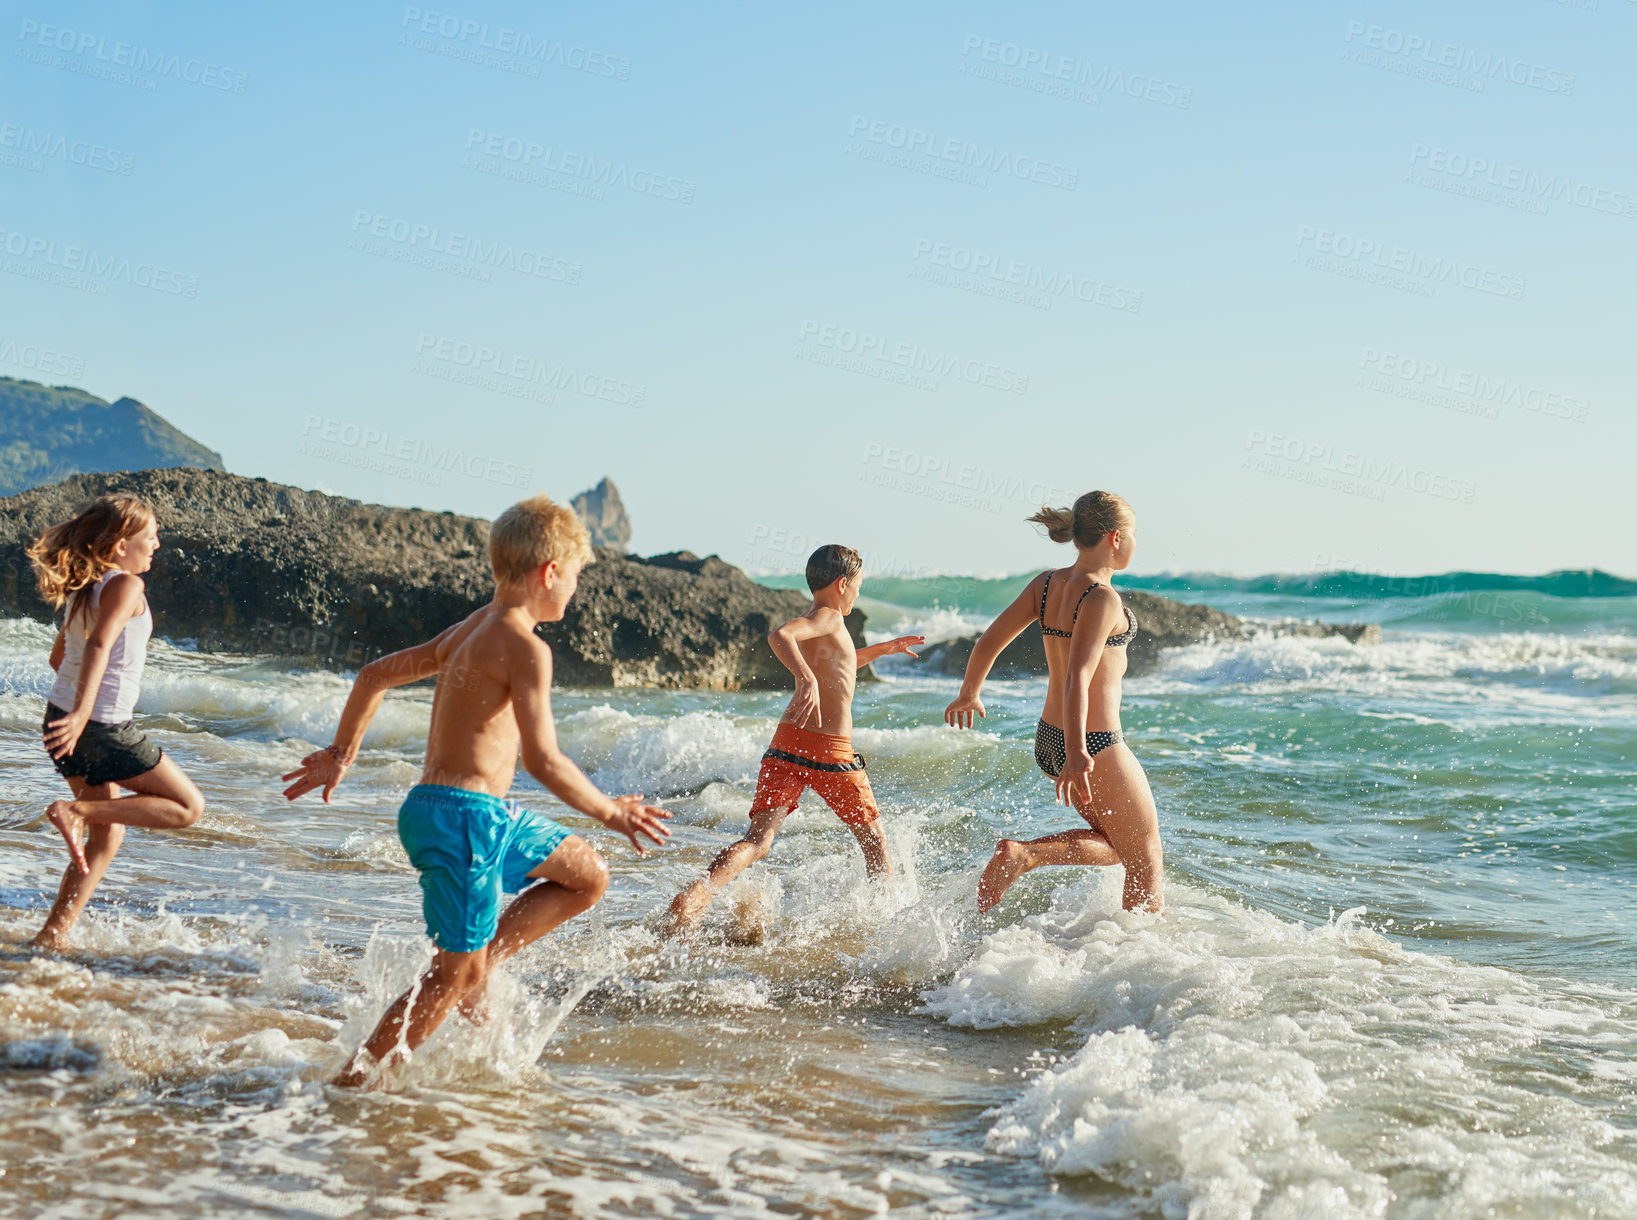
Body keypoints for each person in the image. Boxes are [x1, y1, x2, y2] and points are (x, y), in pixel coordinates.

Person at [281, 493, 672, 1087]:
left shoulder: (470, 629)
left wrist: (341, 755)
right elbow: (544, 760)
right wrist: (610, 810)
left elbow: (374, 675)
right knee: (450, 978)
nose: (573, 590)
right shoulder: (526, 648)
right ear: (549, 573)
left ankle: (484, 958)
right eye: (574, 578)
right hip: (465, 820)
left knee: (587, 874)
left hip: (475, 815)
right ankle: (350, 1087)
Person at [664, 544, 923, 936]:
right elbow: (779, 635)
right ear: (842, 584)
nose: (857, 595)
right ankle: (888, 930)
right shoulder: (829, 616)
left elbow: (840, 663)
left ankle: (699, 893)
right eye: (858, 587)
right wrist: (805, 678)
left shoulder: (821, 620)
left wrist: (885, 649)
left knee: (758, 841)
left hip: (786, 745)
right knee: (875, 842)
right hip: (831, 752)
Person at [943, 492, 1163, 913]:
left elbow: (990, 639)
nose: (1136, 543)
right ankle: (1145, 962)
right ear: (1115, 538)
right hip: (1092, 743)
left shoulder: (1047, 584)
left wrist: (970, 690)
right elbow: (1079, 677)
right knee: (1146, 858)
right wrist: (1079, 752)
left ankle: (1026, 856)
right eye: (1134, 534)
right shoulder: (1102, 597)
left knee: (1118, 847)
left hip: (1050, 737)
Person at [26, 493, 205, 950]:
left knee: (107, 837)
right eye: (151, 536)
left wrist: (75, 709)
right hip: (98, 726)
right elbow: (101, 646)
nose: (158, 544)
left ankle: (52, 935)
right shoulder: (126, 586)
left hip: (60, 721)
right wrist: (88, 713)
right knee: (188, 807)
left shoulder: (85, 588)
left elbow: (59, 657)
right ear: (122, 544)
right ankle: (74, 812)